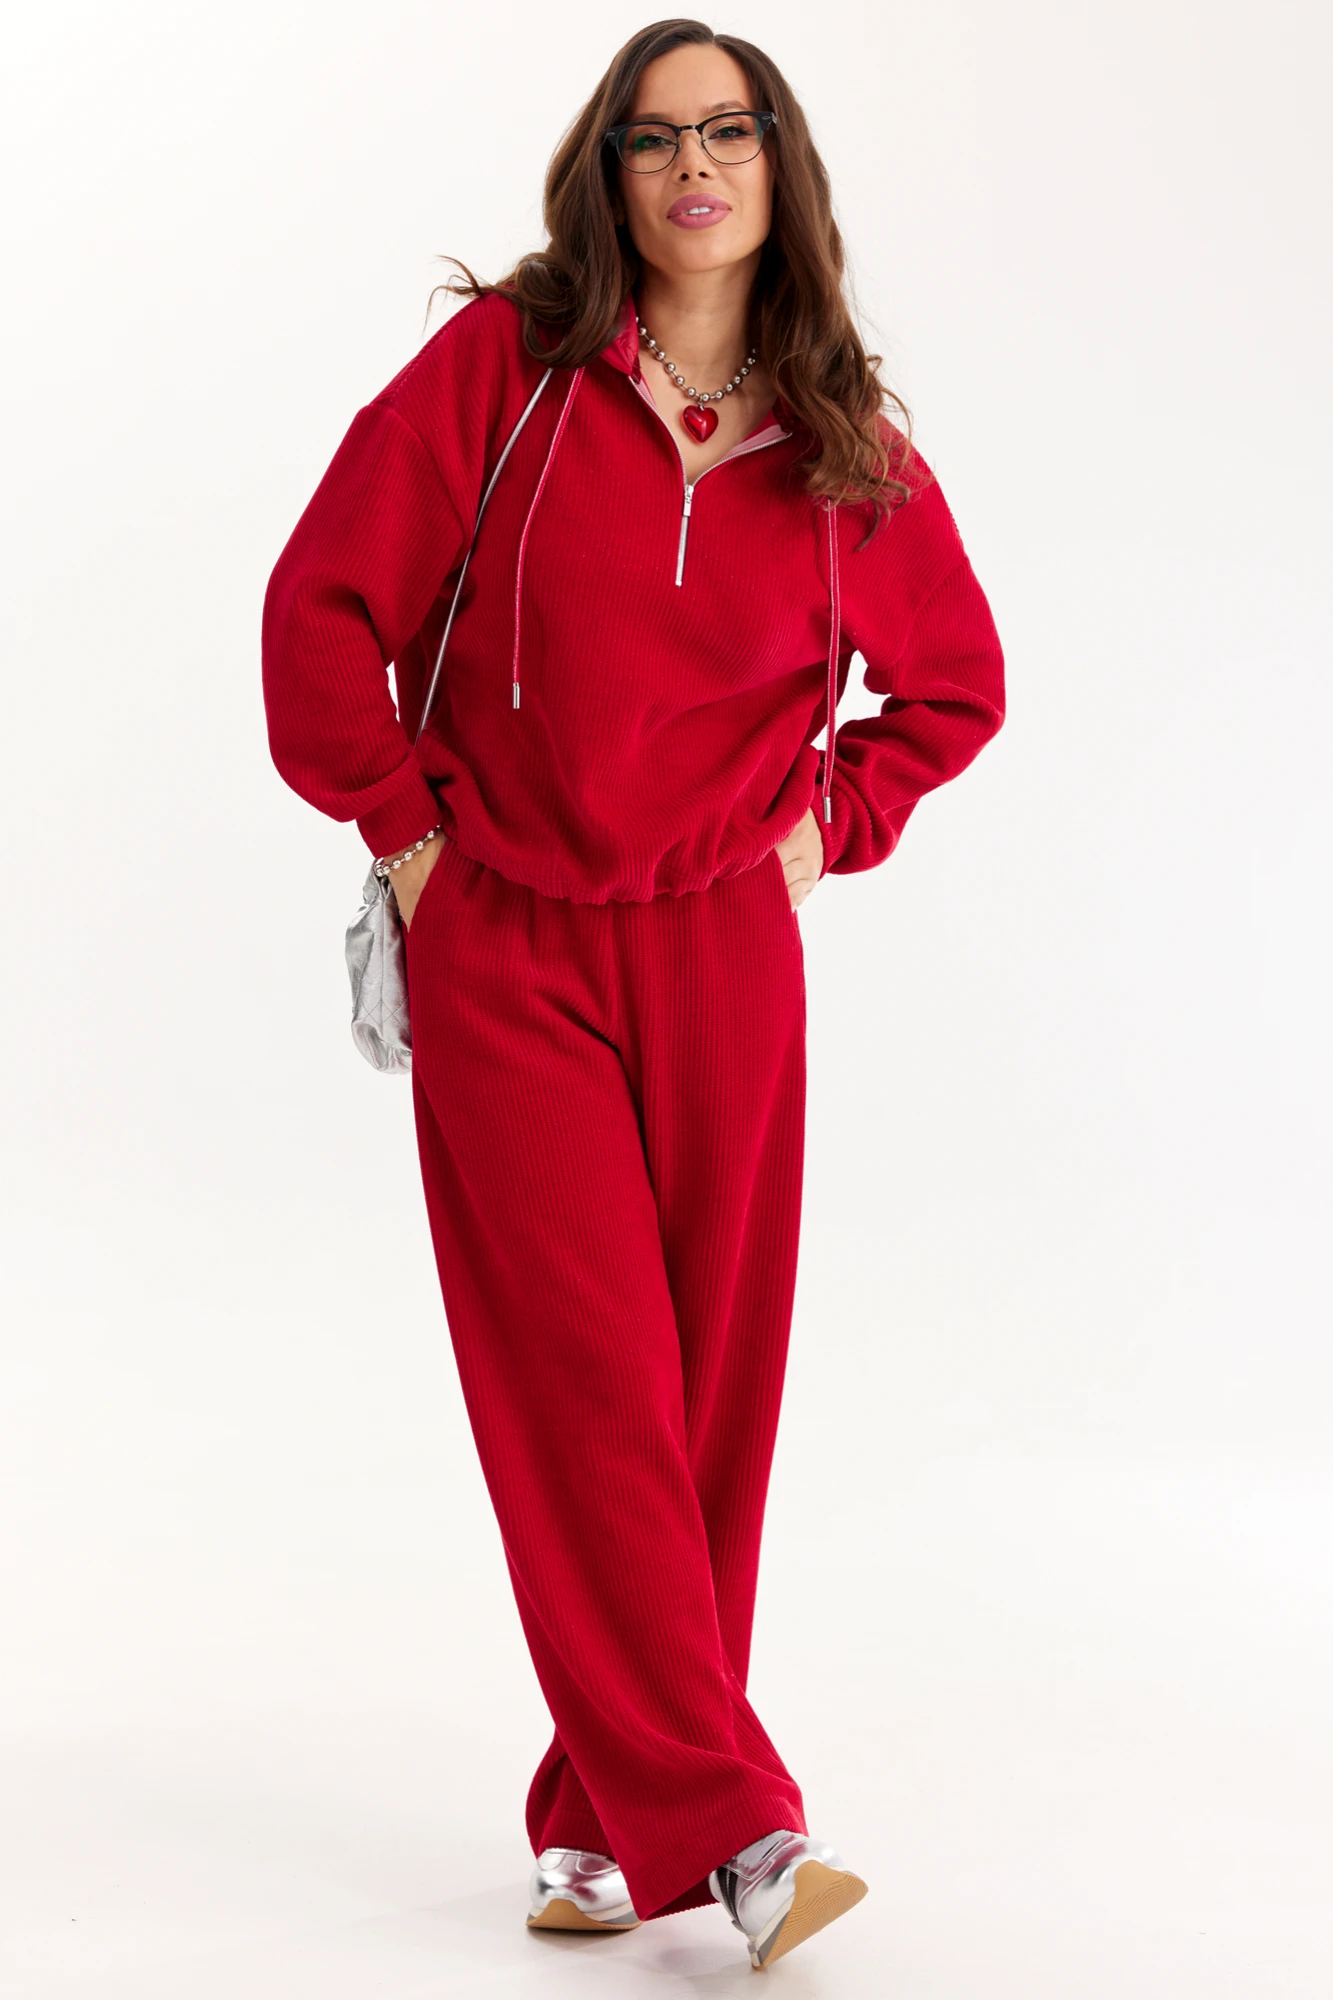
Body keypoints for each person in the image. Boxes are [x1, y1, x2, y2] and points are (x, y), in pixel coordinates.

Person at [261, 20, 1005, 1973]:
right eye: (654, 137)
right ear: (607, 172)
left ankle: (600, 1818)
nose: (693, 165)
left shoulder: (835, 429)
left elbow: (956, 683)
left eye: (728, 132)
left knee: (702, 1404)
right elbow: (319, 609)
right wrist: (411, 844)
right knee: (586, 1386)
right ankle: (742, 1834)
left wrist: (835, 824)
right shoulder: (503, 373)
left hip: (724, 948)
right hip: (508, 938)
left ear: (779, 169)